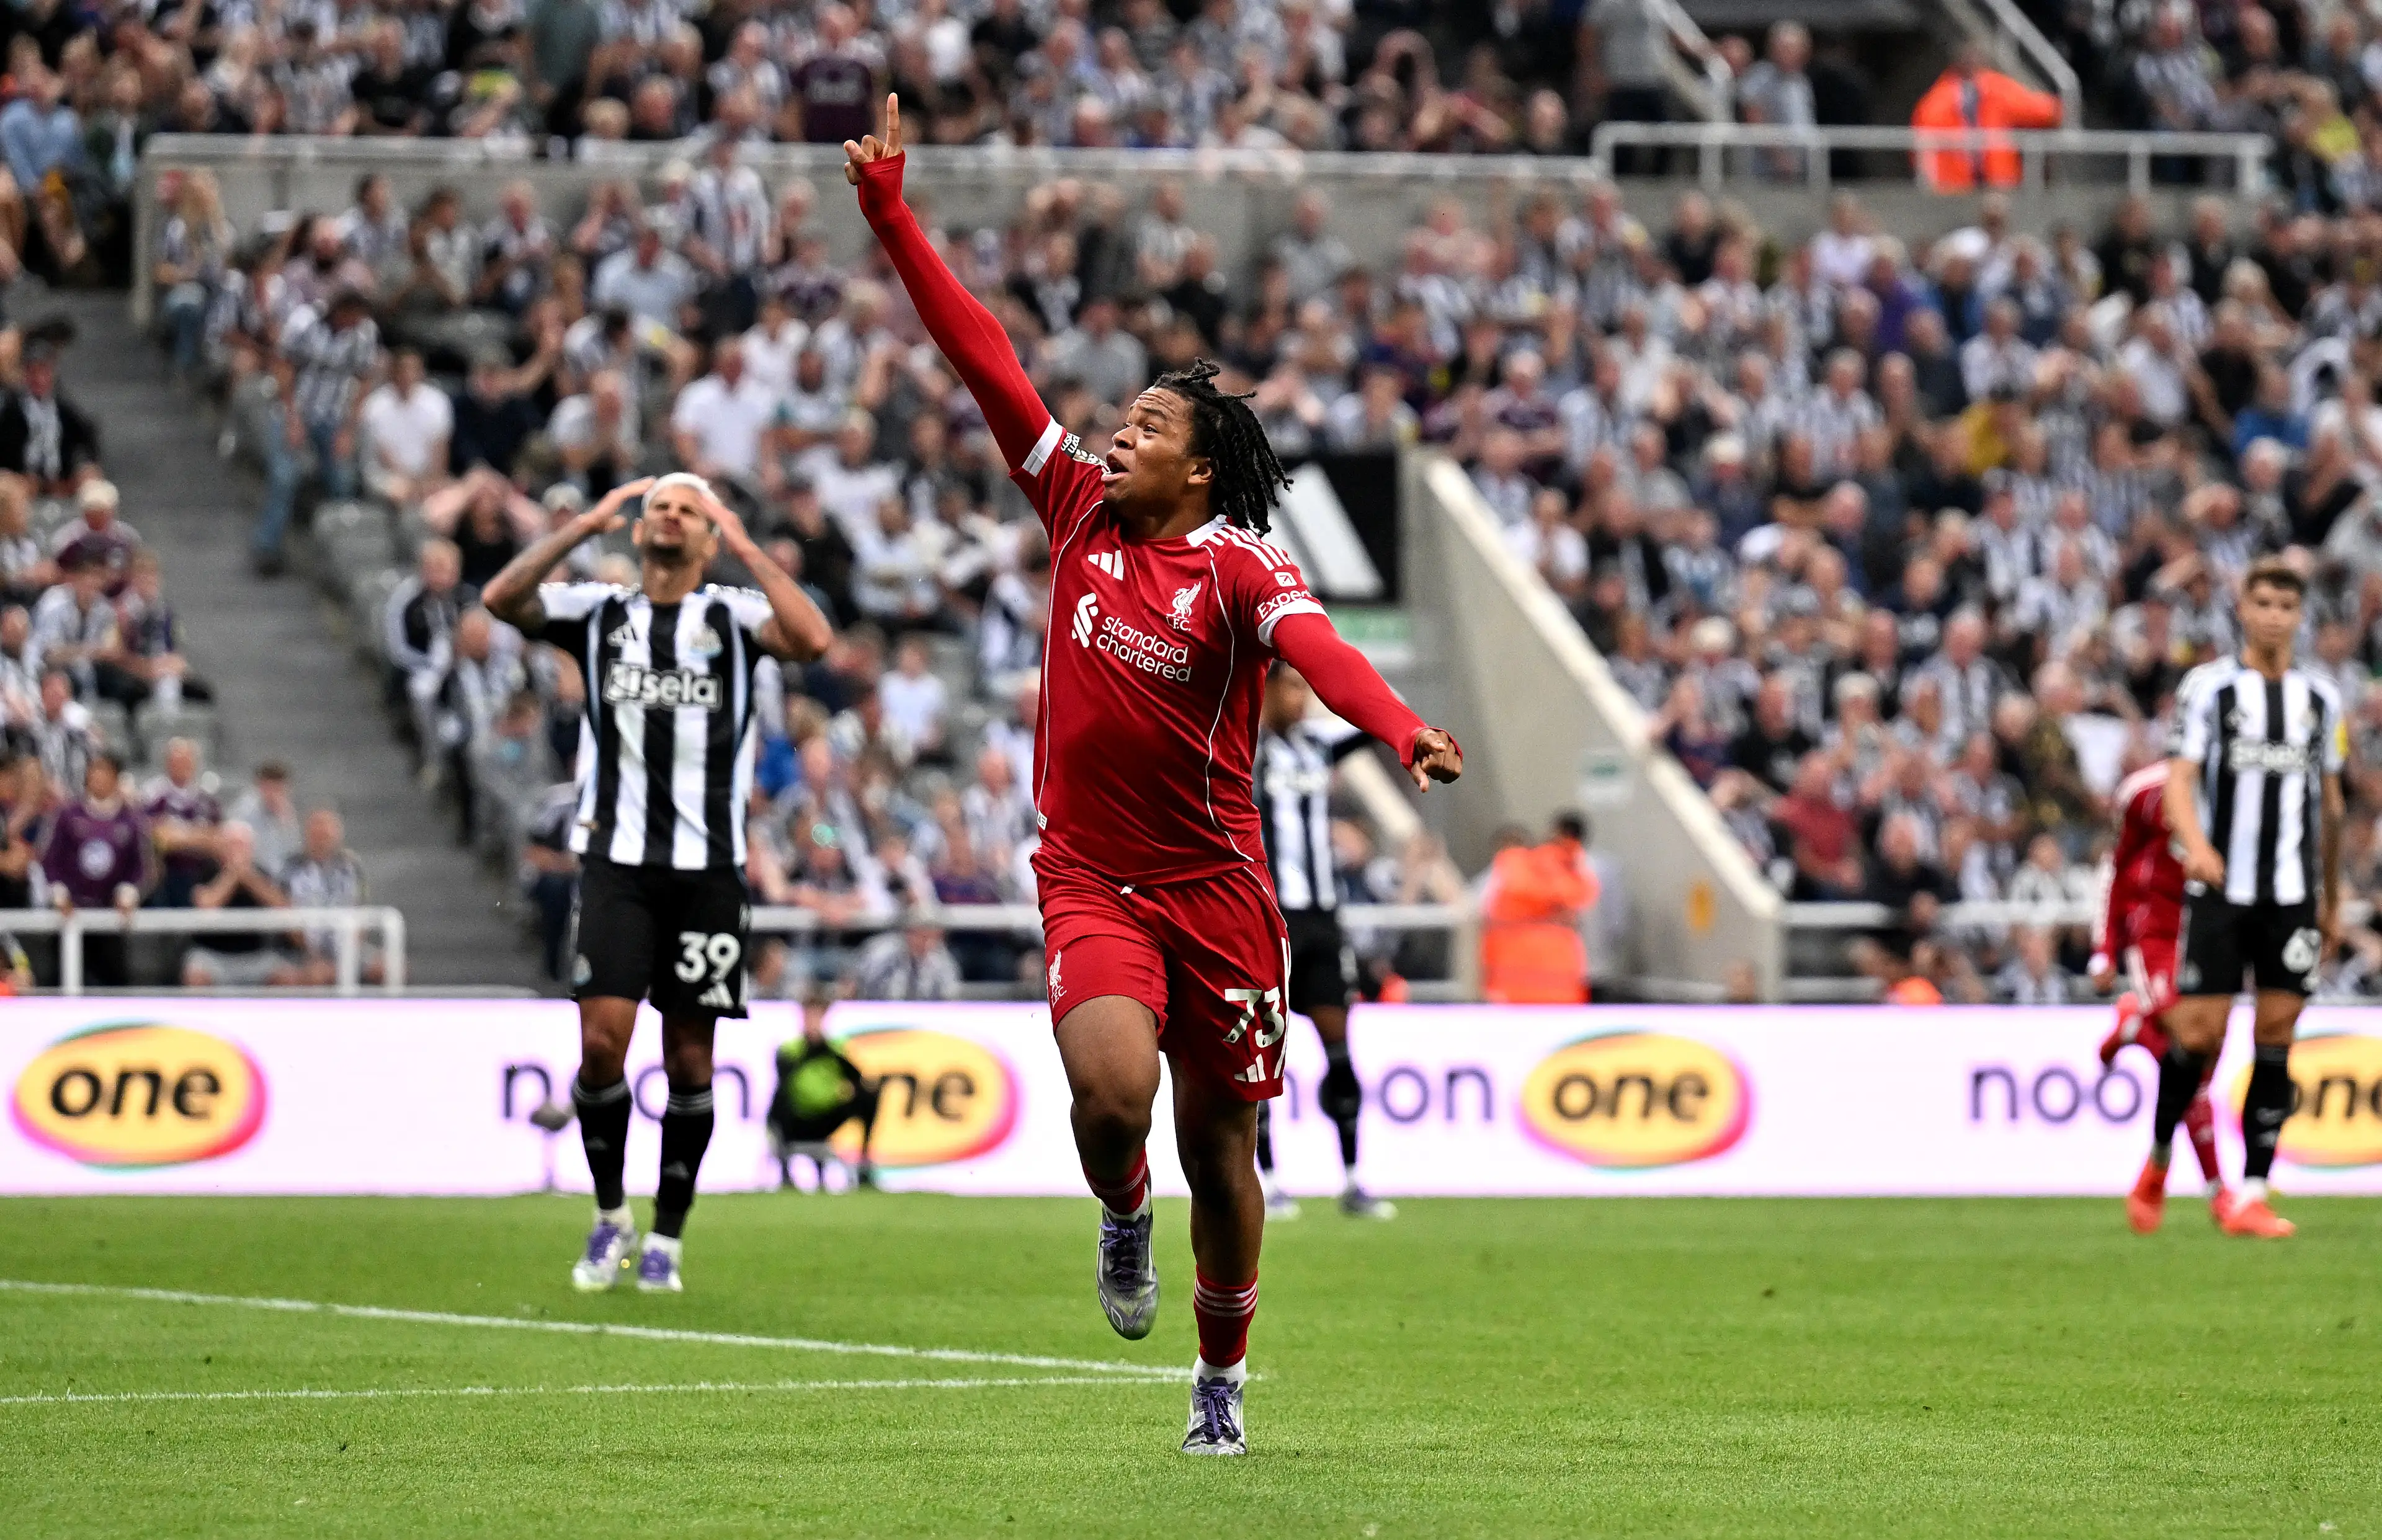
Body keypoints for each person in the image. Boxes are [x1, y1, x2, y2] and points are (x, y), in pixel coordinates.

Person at [845, 96, 1463, 1458]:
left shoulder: (1240, 563)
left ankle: (1220, 1376)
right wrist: (893, 217)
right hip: (1095, 875)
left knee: (1225, 1146)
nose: (1110, 439)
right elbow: (985, 361)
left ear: (1197, 464)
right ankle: (1119, 1207)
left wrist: (1397, 721)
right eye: (1113, 425)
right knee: (1115, 1095)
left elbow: (1318, 646)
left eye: (1139, 428)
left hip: (1224, 888)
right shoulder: (1072, 508)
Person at [482, 471, 832, 1294]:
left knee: (689, 1059)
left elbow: (814, 640)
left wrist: (747, 546)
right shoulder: (598, 612)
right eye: (657, 509)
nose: (669, 517)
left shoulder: (734, 616)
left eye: (688, 511)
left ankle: (669, 1233)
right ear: (639, 533)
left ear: (707, 540)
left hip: (708, 867)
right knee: (602, 1042)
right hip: (616, 860)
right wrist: (588, 522)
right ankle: (610, 1216)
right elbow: (502, 596)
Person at [2132, 558, 2345, 1240]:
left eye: (2287, 603)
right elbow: (2179, 779)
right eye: (2264, 602)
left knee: (2277, 1032)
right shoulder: (2211, 688)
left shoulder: (2321, 697)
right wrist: (2197, 845)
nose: (2276, 614)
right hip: (2223, 887)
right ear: (2244, 610)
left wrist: (2332, 895)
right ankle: (2159, 1158)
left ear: (2300, 615)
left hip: (2290, 892)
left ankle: (2252, 1191)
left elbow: (2331, 803)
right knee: (2198, 1033)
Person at [1249, 663, 1394, 1222]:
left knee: (1339, 1044)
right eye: (1291, 688)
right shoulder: (1243, 747)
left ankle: (1355, 1179)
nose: (1302, 699)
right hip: (1269, 917)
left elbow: (1376, 713)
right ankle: (1267, 1179)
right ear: (1264, 693)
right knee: (1262, 1050)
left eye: (1306, 688)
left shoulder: (1318, 745)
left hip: (1323, 920)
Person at [2092, 759, 2224, 1221]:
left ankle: (2135, 1026)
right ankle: (2218, 1192)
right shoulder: (2143, 792)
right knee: (2189, 1043)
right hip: (2157, 935)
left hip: (2210, 936)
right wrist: (2104, 948)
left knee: (2203, 1056)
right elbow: (2117, 867)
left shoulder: (2237, 787)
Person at [43, 752, 151, 987]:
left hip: (110, 917)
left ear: (116, 777)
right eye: (94, 771)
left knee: (114, 982)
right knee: (63, 977)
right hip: (72, 913)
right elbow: (51, 859)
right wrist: (58, 892)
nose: (98, 777)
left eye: (104, 771)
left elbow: (140, 867)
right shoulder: (68, 816)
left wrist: (129, 891)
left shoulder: (131, 821)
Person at [767, 990, 883, 1188]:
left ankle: (865, 1164)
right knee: (778, 1102)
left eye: (817, 1015)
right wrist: (812, 1047)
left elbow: (859, 1079)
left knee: (869, 1098)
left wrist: (852, 1089)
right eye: (809, 1015)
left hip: (827, 1116)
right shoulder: (791, 1049)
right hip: (798, 1117)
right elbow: (783, 1077)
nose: (812, 1021)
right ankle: (785, 1172)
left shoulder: (835, 1049)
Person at [1909, 45, 2064, 192]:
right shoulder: (1937, 102)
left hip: (1998, 180)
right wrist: (1930, 186)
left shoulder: (1996, 89)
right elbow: (1922, 146)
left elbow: (2045, 110)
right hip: (1955, 186)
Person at [181, 821, 300, 988]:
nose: (237, 851)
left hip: (256, 954)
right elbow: (206, 904)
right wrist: (232, 875)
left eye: (242, 846)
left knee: (287, 977)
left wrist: (249, 877)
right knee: (196, 975)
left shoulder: (262, 873)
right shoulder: (207, 872)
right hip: (214, 955)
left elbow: (281, 904)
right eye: (232, 845)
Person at [849, 907, 961, 999]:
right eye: (924, 936)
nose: (929, 943)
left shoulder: (941, 958)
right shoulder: (881, 952)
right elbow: (853, 987)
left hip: (923, 1018)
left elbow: (950, 998)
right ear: (909, 933)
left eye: (935, 937)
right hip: (876, 1013)